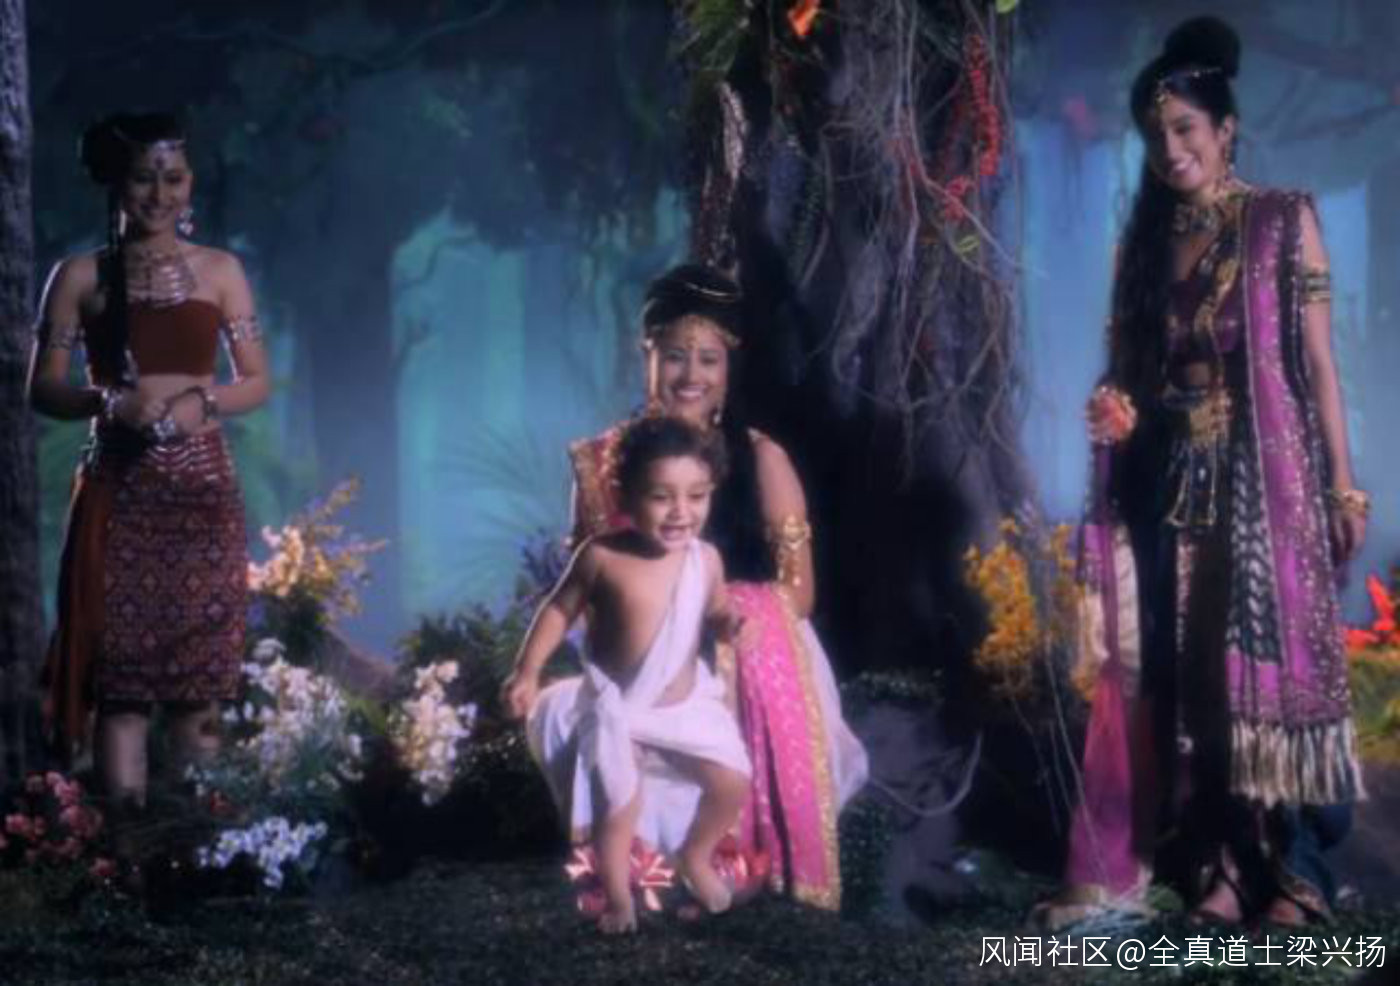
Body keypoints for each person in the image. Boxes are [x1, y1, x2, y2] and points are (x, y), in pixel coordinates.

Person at [1043, 18, 1366, 929]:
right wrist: (1114, 407)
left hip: (1269, 482)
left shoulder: (1283, 220)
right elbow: (1129, 372)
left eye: (1186, 128)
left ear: (1226, 129)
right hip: (1173, 481)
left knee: (1266, 664)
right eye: (1156, 135)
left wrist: (1342, 485)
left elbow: (1318, 364)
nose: (1171, 149)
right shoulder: (1146, 244)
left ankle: (1291, 870)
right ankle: (1221, 862)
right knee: (1193, 674)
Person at [566, 264, 867, 910]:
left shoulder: (762, 459)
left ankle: (729, 857)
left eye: (709, 358)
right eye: (675, 355)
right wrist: (653, 628)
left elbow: (800, 594)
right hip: (634, 659)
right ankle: (642, 870)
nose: (691, 375)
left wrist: (718, 617)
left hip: (745, 650)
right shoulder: (600, 466)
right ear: (647, 355)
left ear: (730, 368)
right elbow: (584, 593)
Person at [29, 113, 271, 810]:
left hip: (202, 499)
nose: (160, 195)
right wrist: (108, 401)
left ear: (191, 183)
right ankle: (127, 847)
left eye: (175, 178)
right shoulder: (79, 276)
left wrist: (205, 402)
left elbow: (257, 381)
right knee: (123, 691)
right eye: (144, 178)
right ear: (115, 181)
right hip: (120, 494)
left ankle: (200, 847)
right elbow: (42, 388)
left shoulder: (222, 271)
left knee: (199, 690)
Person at [503, 416, 752, 934]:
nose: (681, 511)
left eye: (697, 496)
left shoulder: (705, 560)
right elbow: (558, 611)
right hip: (620, 707)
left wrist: (730, 624)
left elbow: (715, 611)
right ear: (627, 495)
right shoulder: (602, 556)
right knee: (619, 805)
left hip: (683, 708)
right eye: (661, 497)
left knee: (730, 781)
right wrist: (527, 671)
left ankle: (695, 855)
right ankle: (618, 900)